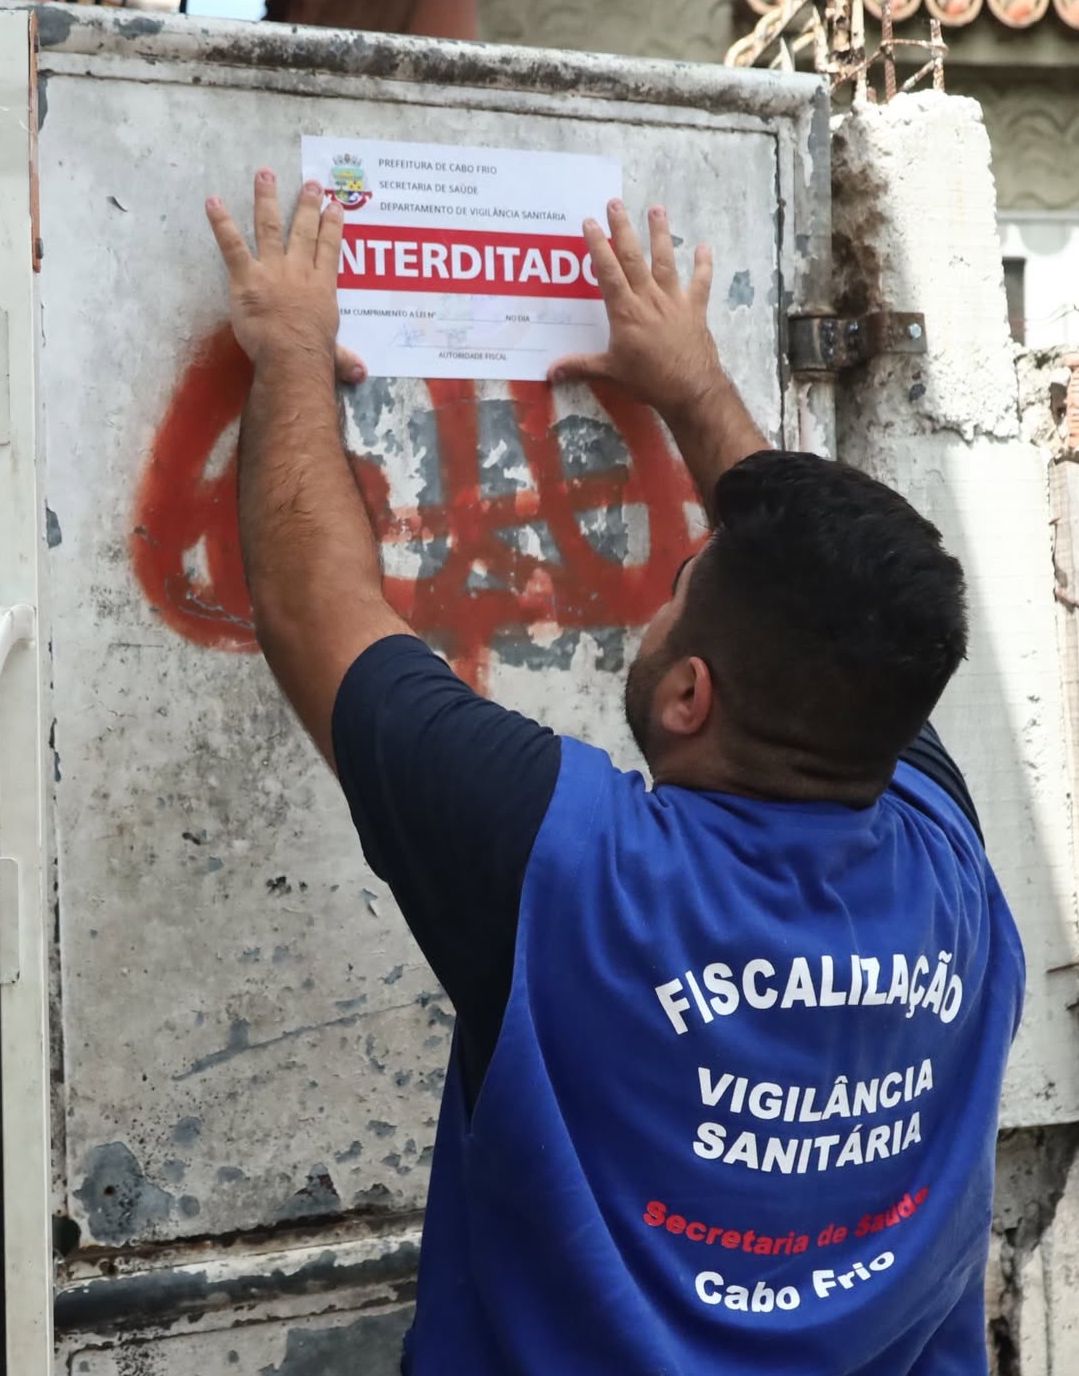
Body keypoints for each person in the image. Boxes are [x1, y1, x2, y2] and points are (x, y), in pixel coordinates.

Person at [206, 171, 1025, 1375]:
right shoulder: (942, 851)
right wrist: (693, 384)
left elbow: (312, 603)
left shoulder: (570, 868)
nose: (656, 603)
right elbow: (838, 610)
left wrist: (287, 349)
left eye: (672, 598)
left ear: (687, 695)